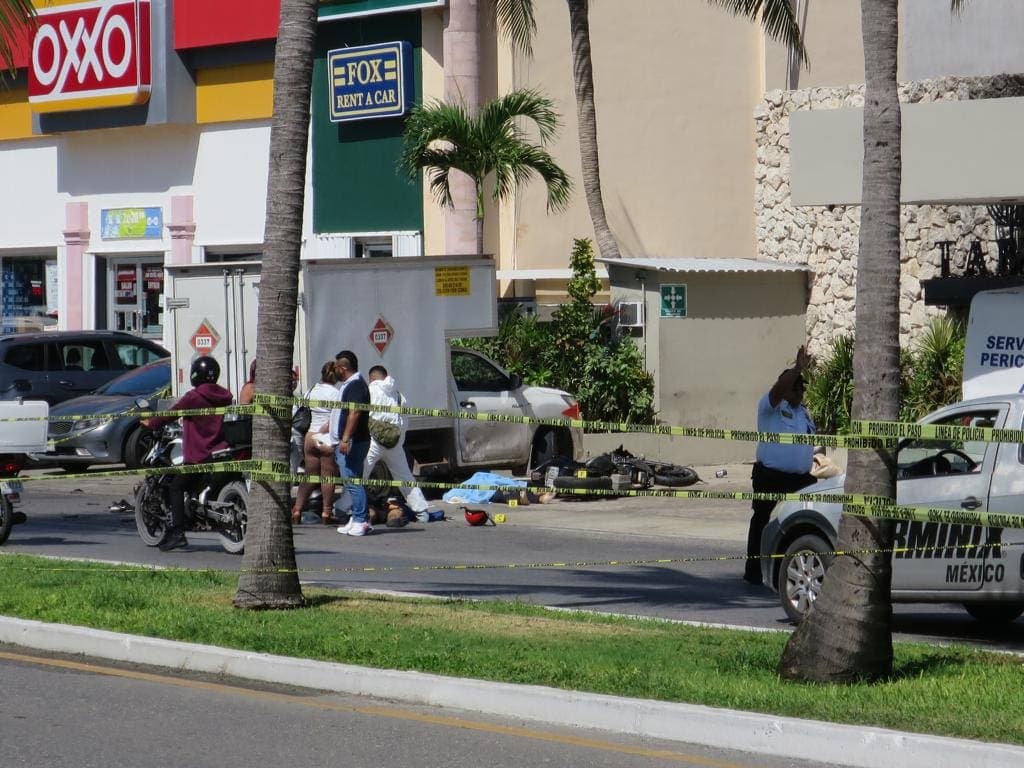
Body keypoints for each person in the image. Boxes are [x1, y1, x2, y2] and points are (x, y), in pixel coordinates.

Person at [143, 356, 233, 552]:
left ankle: (177, 532)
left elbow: (171, 413)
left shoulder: (194, 397)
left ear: (195, 375)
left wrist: (151, 423)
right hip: (222, 450)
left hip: (200, 454)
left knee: (176, 486)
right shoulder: (225, 395)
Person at [745, 345, 816, 585]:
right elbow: (779, 388)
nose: (799, 392)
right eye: (795, 387)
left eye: (801, 388)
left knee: (806, 520)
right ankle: (753, 571)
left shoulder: (804, 414)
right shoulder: (770, 408)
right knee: (762, 521)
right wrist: (797, 368)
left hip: (800, 479)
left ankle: (796, 567)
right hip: (771, 476)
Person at [364, 365, 432, 523]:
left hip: (373, 442)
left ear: (372, 378)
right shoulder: (400, 396)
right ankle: (422, 512)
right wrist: (396, 442)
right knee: (404, 477)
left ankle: (344, 508)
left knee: (360, 475)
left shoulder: (369, 392)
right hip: (394, 444)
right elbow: (404, 423)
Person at [292, 361, 341, 525]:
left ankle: (297, 509)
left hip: (310, 437)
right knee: (328, 476)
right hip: (326, 437)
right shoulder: (336, 393)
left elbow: (303, 410)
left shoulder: (312, 390)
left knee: (309, 475)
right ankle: (327, 512)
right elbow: (337, 418)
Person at [330, 350, 372, 536]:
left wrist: (345, 438)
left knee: (353, 482)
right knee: (352, 480)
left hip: (353, 441)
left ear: (343, 368)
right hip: (353, 440)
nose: (335, 371)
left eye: (336, 367)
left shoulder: (355, 385)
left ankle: (361, 520)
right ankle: (356, 518)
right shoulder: (352, 384)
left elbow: (354, 413)